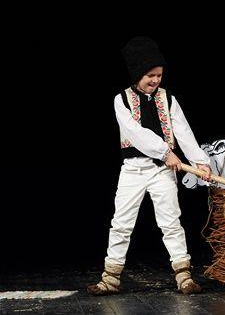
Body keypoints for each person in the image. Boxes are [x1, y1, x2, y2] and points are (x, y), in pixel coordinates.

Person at [87, 36, 212, 296]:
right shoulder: (121, 100)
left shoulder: (168, 99)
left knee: (171, 222)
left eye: (159, 75)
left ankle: (184, 276)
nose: (155, 80)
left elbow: (183, 130)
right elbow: (135, 133)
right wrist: (165, 152)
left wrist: (200, 161)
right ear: (137, 74)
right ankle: (110, 279)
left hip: (162, 171)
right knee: (121, 223)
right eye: (150, 75)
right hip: (133, 170)